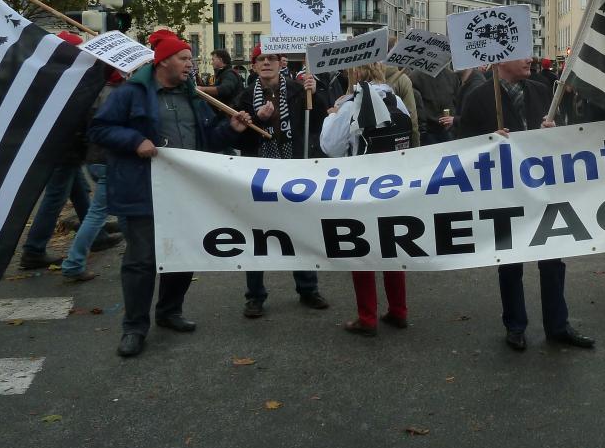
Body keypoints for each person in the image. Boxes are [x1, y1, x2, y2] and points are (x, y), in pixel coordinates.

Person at [90, 34, 252, 357]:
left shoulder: (192, 96)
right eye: (183, 58)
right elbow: (99, 129)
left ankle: (169, 311)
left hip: (184, 191)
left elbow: (205, 142)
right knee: (142, 259)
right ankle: (134, 327)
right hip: (142, 190)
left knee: (183, 252)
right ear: (163, 61)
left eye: (190, 58)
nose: (190, 64)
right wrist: (135, 140)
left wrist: (231, 129)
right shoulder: (132, 93)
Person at [458, 57, 594, 350]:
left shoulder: (541, 90)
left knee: (553, 260)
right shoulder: (478, 98)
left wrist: (553, 130)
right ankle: (515, 326)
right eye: (522, 53)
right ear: (501, 61)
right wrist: (488, 141)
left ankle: (558, 325)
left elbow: (562, 136)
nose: (530, 58)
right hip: (505, 195)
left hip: (543, 191)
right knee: (510, 263)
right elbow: (460, 144)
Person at [235, 46, 331, 318]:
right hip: (259, 171)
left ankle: (308, 288)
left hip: (294, 168)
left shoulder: (298, 89)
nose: (266, 63)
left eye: (271, 59)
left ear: (280, 63)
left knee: (300, 230)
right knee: (257, 233)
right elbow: (238, 139)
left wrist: (317, 92)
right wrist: (256, 121)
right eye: (260, 60)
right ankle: (254, 296)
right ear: (254, 66)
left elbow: (319, 122)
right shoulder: (244, 96)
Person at [320, 63, 412, 336]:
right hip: (394, 186)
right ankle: (399, 310)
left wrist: (332, 115)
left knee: (361, 251)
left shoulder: (351, 106)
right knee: (391, 248)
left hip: (360, 188)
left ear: (354, 74)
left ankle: (367, 317)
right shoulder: (395, 100)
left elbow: (330, 147)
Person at [18, 32, 108, 270]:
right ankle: (34, 249)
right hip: (63, 148)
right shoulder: (64, 78)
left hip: (64, 147)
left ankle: (96, 236)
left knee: (79, 190)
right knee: (55, 197)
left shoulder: (54, 74)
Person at [61, 68, 127, 282]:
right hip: (108, 160)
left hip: (95, 158)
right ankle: (73, 263)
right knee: (97, 214)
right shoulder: (116, 94)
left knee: (125, 210)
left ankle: (139, 255)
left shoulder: (95, 90)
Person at [410, 67, 461, 145]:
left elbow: (457, 101)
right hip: (431, 131)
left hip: (447, 129)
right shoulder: (415, 77)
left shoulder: (452, 75)